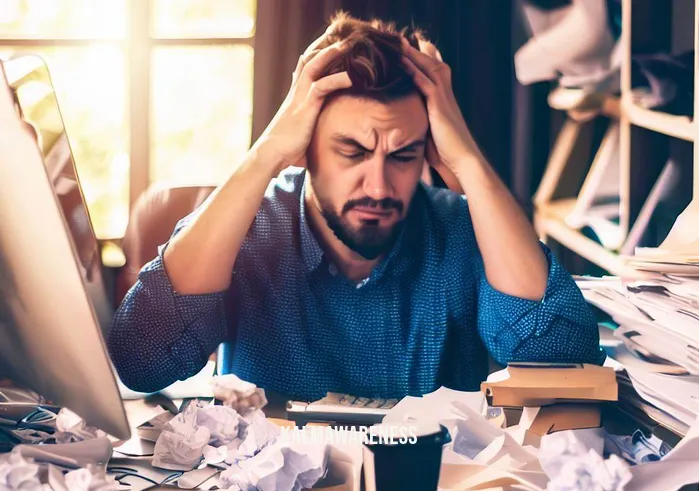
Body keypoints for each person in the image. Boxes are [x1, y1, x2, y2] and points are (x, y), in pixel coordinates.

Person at [108, 13, 605, 402]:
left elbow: (563, 363)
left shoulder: (461, 228)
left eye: (404, 155)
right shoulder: (250, 230)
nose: (379, 185)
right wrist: (265, 154)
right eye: (352, 152)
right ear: (304, 150)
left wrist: (469, 162)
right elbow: (141, 359)